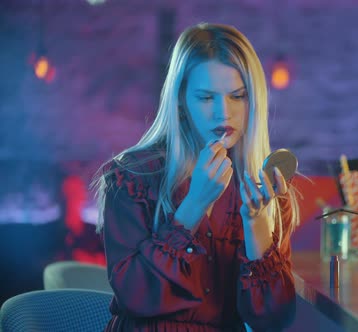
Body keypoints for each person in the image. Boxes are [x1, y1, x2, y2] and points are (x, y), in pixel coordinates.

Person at [92, 22, 300, 331]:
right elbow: (135, 296)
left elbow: (271, 321)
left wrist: (256, 221)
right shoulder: (131, 177)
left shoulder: (264, 188)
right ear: (180, 100)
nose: (223, 113)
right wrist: (195, 204)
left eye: (237, 96)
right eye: (205, 98)